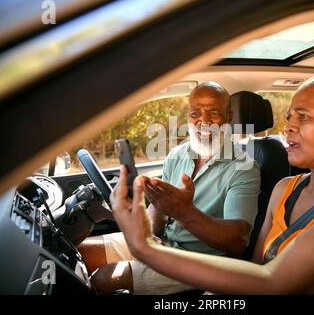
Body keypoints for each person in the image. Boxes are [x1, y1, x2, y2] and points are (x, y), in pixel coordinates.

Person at [112, 73, 314, 294]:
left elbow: (275, 283)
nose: (288, 126)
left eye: (304, 117)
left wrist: (144, 247)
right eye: (289, 117)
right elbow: (254, 266)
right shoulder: (285, 188)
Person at [79, 81, 261, 294]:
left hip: (202, 264)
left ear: (229, 117)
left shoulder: (244, 168)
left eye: (214, 113)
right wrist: (149, 231)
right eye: (195, 113)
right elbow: (158, 210)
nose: (203, 122)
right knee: (82, 253)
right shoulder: (177, 155)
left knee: (104, 279)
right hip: (164, 244)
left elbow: (237, 240)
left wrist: (184, 212)